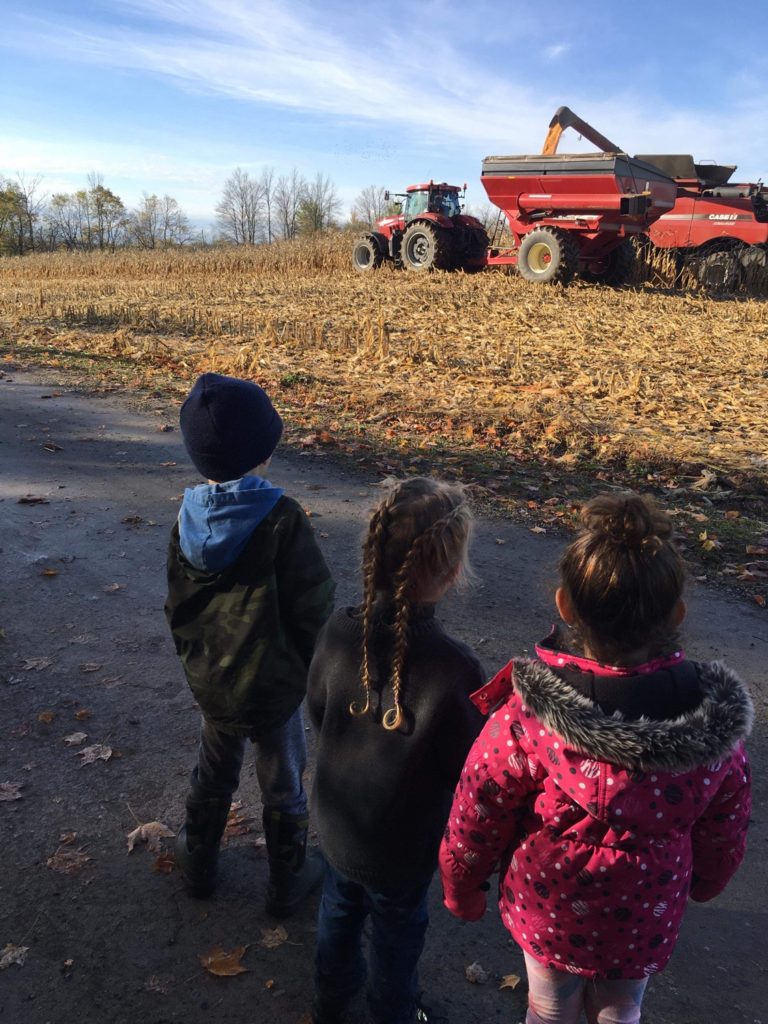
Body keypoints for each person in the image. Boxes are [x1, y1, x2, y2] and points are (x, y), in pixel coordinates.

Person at [439, 493, 752, 1024]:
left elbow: (479, 806)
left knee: (548, 1007)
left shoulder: (526, 718)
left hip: (549, 909)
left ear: (564, 606)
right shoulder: (714, 730)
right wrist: (709, 880)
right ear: (676, 614)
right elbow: (727, 823)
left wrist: (461, 884)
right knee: (621, 1010)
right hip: (648, 914)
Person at [307, 477, 486, 1024]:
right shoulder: (455, 669)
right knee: (397, 930)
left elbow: (317, 710)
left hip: (338, 825)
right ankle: (392, 1011)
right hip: (403, 847)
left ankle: (329, 999)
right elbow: (469, 770)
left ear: (373, 554)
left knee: (338, 908)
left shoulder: (338, 630)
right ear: (452, 573)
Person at [165, 372, 335, 916]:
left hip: (214, 681)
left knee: (211, 771)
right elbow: (314, 606)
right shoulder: (281, 520)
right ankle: (288, 879)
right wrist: (318, 667)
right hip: (273, 684)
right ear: (263, 452)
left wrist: (198, 666)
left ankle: (199, 861)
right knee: (283, 781)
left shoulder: (185, 521)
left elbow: (178, 608)